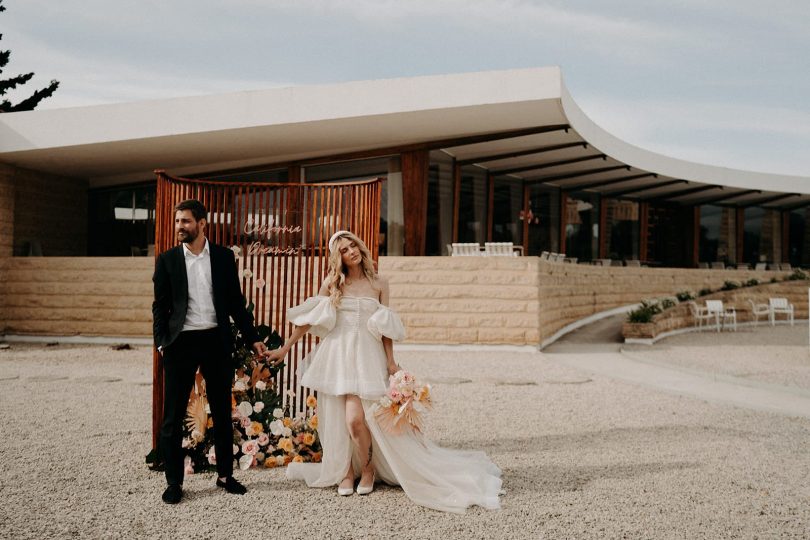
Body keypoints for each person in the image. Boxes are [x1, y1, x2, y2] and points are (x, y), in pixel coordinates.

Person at [264, 230, 502, 513]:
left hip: (366, 356)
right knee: (336, 420)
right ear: (337, 257)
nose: (351, 251)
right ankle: (345, 472)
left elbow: (385, 327)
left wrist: (391, 362)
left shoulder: (379, 283)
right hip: (337, 355)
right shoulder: (332, 283)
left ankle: (367, 469)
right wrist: (285, 348)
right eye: (343, 249)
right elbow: (309, 320)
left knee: (355, 420)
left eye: (353, 246)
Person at [152, 199, 270, 504]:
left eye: (186, 221)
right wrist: (162, 341)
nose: (180, 227)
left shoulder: (222, 257)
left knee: (220, 409)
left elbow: (235, 302)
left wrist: (253, 337)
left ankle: (225, 476)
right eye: (178, 221)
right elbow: (160, 307)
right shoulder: (167, 261)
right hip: (181, 343)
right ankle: (174, 482)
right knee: (172, 415)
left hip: (216, 342)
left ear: (202, 223)